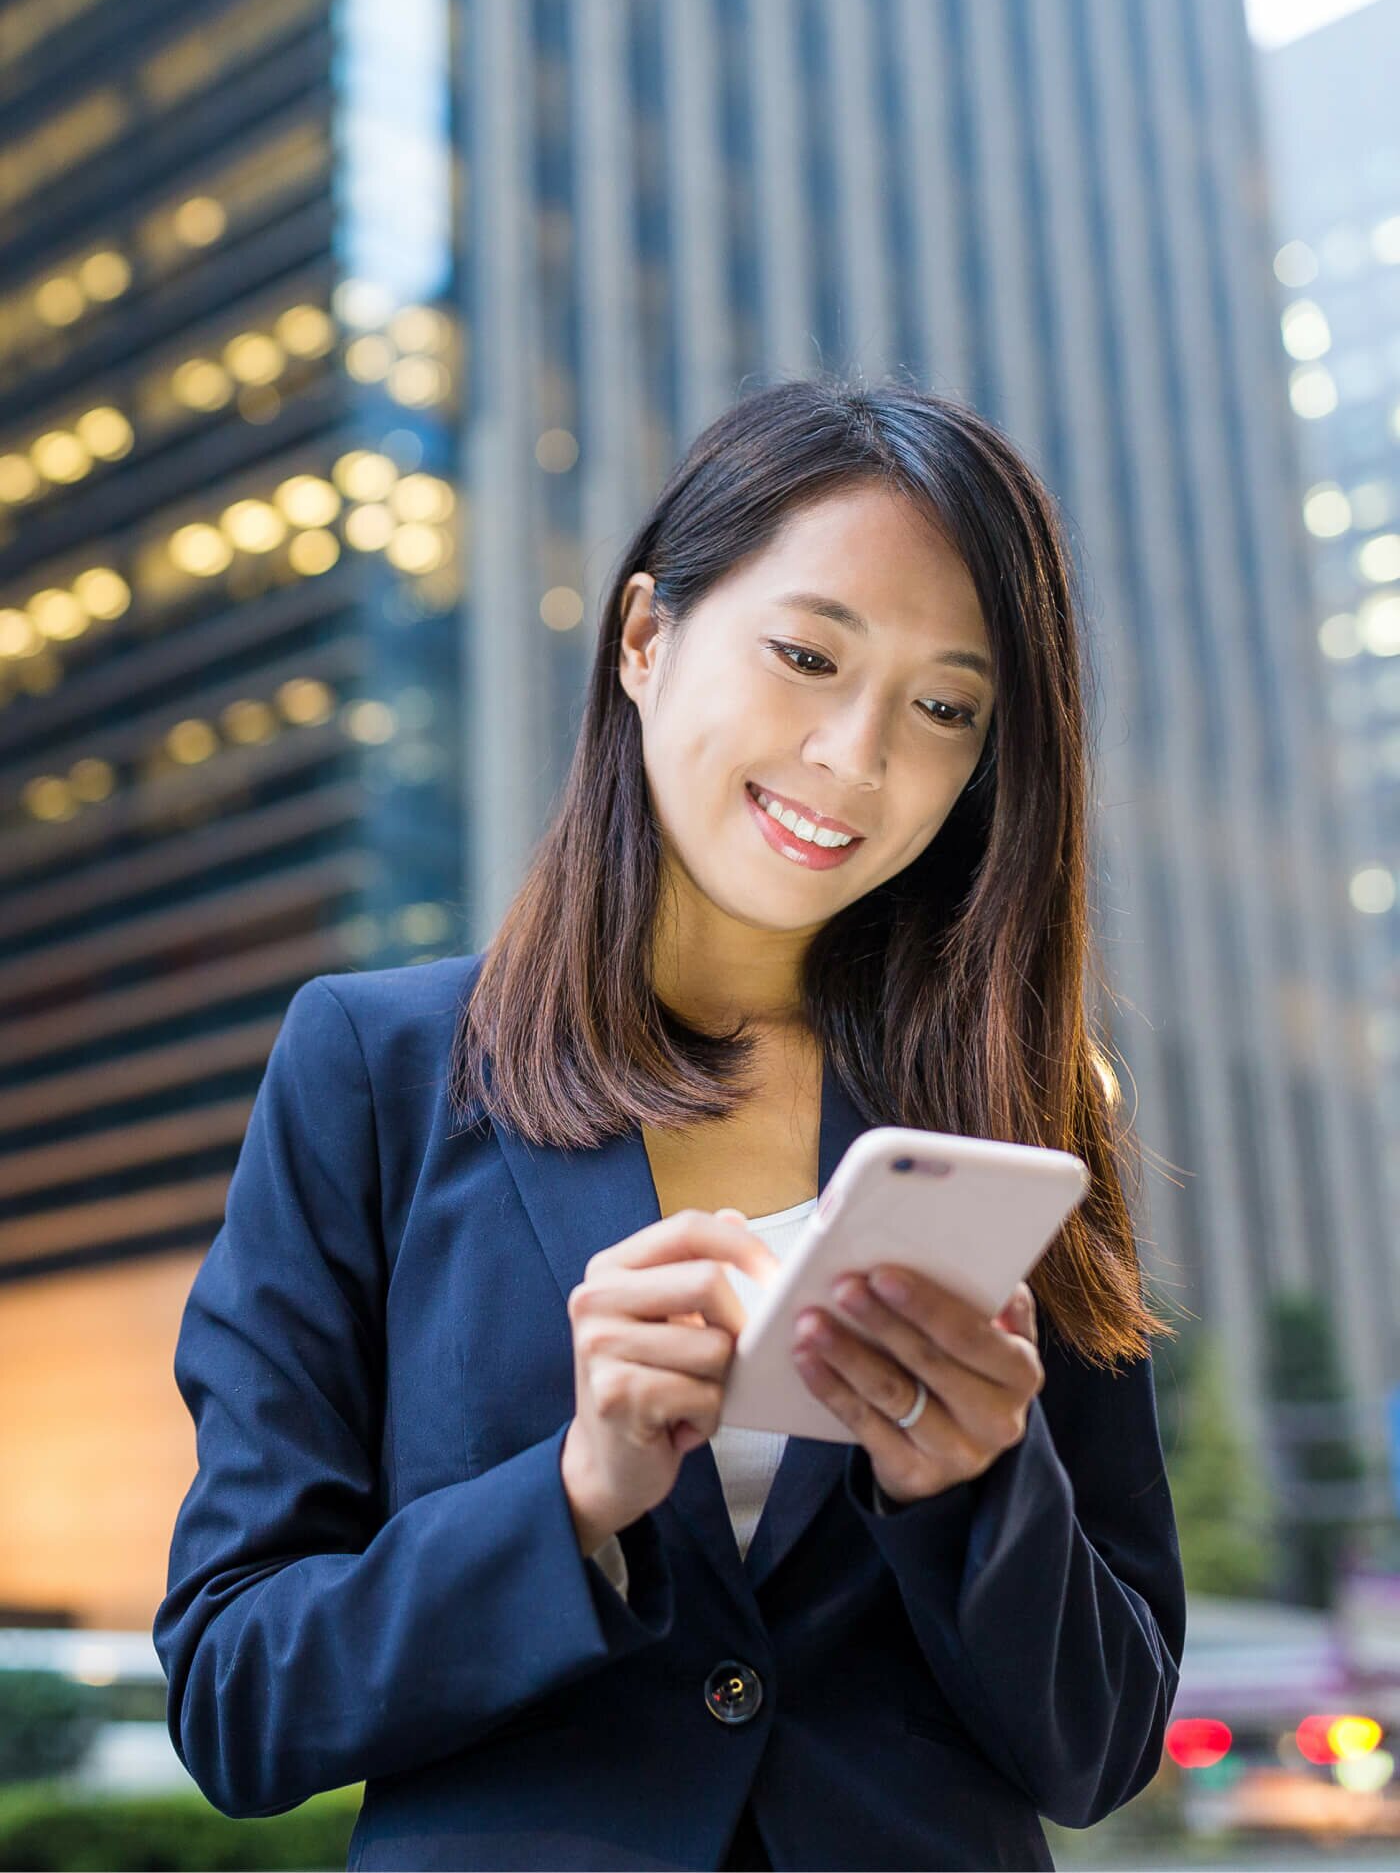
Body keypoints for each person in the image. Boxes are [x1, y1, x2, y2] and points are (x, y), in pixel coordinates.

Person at [154, 379, 1185, 1871]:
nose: (857, 755)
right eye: (808, 654)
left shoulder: (1025, 1116)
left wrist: (976, 1483)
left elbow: (1101, 1747)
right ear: (646, 639)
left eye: (946, 707)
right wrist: (578, 1496)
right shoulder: (372, 1067)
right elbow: (240, 1699)